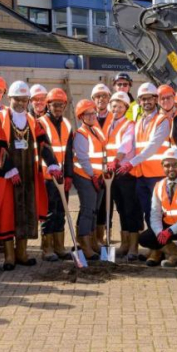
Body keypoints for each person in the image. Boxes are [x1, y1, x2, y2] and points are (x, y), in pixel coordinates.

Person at [0, 81, 56, 270]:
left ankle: (22, 253)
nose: (22, 103)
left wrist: (53, 163)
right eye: (18, 99)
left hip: (28, 176)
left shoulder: (33, 121)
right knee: (9, 215)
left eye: (25, 100)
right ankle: (9, 256)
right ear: (10, 98)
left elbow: (43, 144)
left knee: (26, 214)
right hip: (8, 177)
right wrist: (8, 168)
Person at [115, 83, 171, 264]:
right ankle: (157, 248)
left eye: (150, 98)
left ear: (156, 99)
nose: (146, 102)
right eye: (143, 99)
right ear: (139, 102)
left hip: (156, 176)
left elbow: (152, 147)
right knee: (148, 214)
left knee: (157, 215)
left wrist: (130, 163)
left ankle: (159, 251)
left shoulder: (162, 120)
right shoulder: (139, 122)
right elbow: (131, 146)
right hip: (141, 176)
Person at [37, 88, 73, 261]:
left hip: (61, 177)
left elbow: (69, 154)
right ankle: (47, 248)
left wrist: (68, 176)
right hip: (46, 177)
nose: (58, 107)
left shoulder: (67, 124)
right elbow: (42, 149)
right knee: (49, 212)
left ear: (65, 106)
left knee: (61, 211)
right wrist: (52, 168)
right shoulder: (40, 123)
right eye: (54, 104)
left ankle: (60, 246)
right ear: (48, 105)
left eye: (61, 105)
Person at [105, 92, 140, 261]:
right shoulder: (109, 124)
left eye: (119, 106)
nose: (116, 109)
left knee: (130, 209)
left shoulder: (129, 124)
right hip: (113, 174)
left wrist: (115, 160)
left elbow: (125, 144)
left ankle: (133, 246)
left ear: (126, 108)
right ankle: (124, 244)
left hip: (126, 173)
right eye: (113, 106)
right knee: (120, 209)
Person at [72, 99, 108, 260]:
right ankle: (85, 244)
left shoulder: (96, 130)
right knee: (87, 210)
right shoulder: (81, 134)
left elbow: (101, 155)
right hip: (85, 176)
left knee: (94, 210)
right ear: (81, 116)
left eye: (93, 113)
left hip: (97, 176)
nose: (92, 116)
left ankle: (93, 242)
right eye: (88, 114)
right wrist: (93, 176)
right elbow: (83, 158)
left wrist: (102, 172)